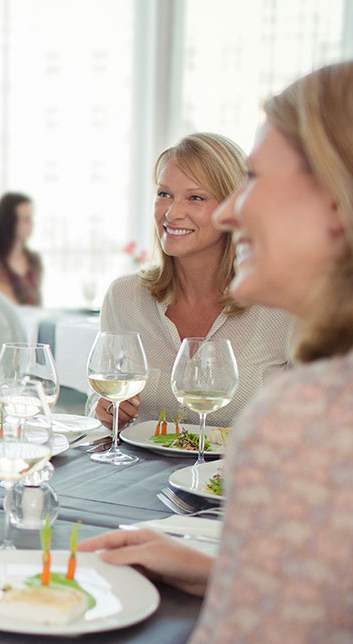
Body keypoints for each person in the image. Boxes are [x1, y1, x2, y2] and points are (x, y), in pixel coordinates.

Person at [81, 61, 353, 641]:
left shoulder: (314, 410)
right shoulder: (129, 296)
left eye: (258, 180)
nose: (231, 213)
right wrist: (216, 570)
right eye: (164, 194)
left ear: (335, 201)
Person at [92, 133, 295, 429]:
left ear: (233, 208)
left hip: (241, 474)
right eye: (164, 194)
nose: (172, 213)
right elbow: (103, 401)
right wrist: (107, 411)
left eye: (196, 198)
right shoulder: (125, 297)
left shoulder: (281, 304)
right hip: (142, 474)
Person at [0, 192, 43, 306]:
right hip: (9, 323)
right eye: (26, 219)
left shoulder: (34, 260)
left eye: (31, 218)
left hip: (32, 321)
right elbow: (7, 308)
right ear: (9, 222)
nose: (31, 223)